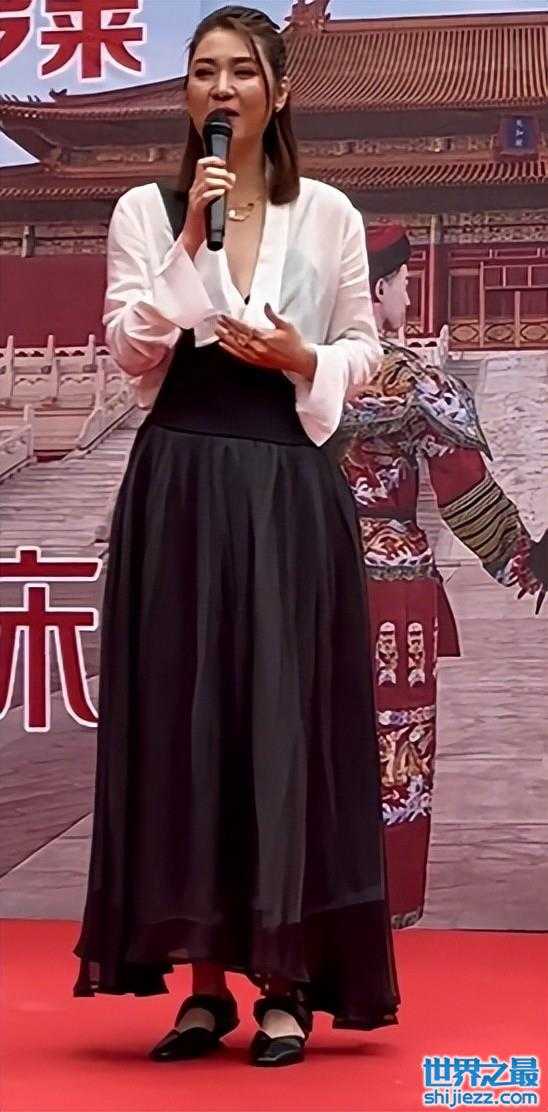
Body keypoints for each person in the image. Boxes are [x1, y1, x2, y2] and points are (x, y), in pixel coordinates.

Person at [73, 5, 401, 1069]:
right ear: (188, 95)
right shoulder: (145, 209)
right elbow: (130, 349)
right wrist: (185, 244)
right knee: (184, 720)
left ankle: (287, 981)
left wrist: (303, 359)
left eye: (241, 72)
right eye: (203, 72)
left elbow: (364, 346)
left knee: (281, 719)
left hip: (287, 483)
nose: (221, 89)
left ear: (278, 91)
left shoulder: (329, 213)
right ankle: (203, 986)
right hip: (179, 483)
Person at [336, 223, 547, 930]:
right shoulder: (413, 379)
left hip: (301, 572)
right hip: (390, 589)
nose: (406, 297)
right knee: (393, 745)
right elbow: (464, 492)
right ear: (378, 288)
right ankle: (384, 898)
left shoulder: (291, 374)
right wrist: (525, 559)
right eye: (402, 284)